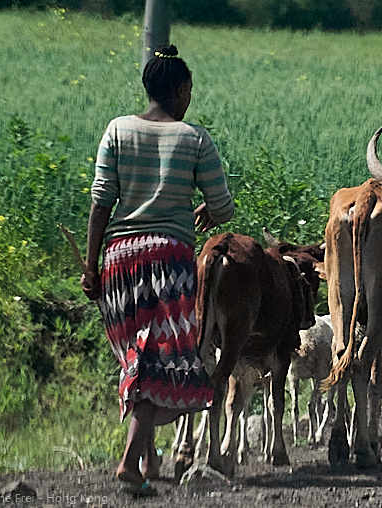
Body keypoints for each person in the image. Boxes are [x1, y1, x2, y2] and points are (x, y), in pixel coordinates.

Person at [80, 44, 234, 496]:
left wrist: (92, 267)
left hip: (120, 260)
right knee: (160, 359)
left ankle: (144, 459)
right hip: (169, 260)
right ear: (182, 90)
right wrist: (203, 208)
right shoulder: (194, 139)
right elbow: (224, 208)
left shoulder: (117, 129)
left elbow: (100, 203)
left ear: (147, 88)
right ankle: (132, 461)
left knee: (137, 357)